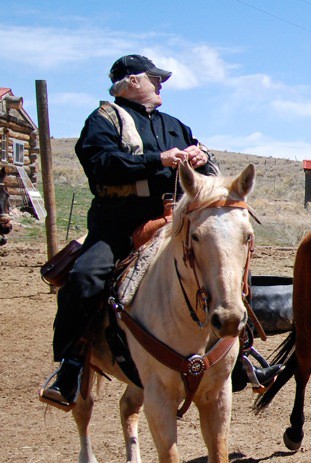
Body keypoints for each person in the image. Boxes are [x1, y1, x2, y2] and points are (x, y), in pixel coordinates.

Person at [43, 55, 276, 407]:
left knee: (223, 266)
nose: (161, 83)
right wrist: (159, 160)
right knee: (85, 277)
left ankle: (241, 355)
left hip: (174, 218)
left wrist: (201, 159)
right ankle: (71, 365)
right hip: (118, 221)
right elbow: (100, 163)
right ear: (133, 81)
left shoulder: (174, 124)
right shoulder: (103, 119)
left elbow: (205, 167)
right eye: (155, 78)